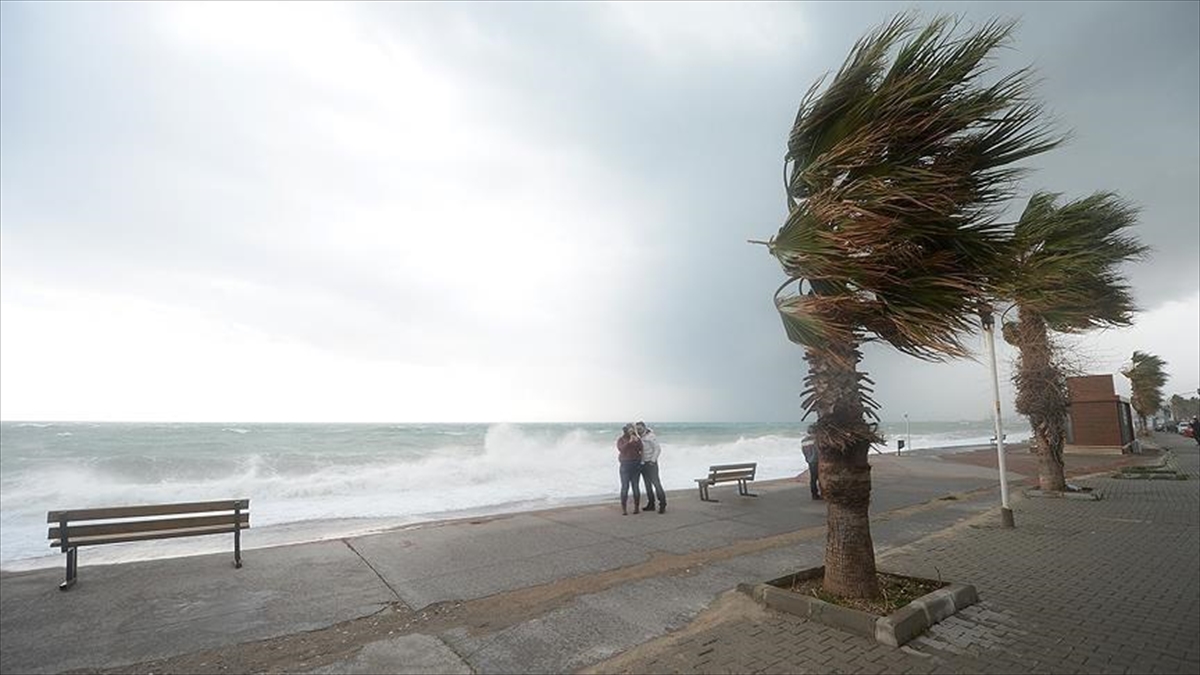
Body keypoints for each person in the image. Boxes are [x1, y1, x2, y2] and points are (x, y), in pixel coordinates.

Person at [637, 421, 666, 514]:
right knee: (647, 485)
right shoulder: (640, 437)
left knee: (656, 484)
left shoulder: (651, 436)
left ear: (644, 427)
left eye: (640, 428)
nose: (639, 430)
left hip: (651, 463)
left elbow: (657, 449)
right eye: (637, 429)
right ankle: (651, 504)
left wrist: (653, 461)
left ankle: (662, 504)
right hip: (643, 464)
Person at [617, 424, 644, 515]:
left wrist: (636, 442)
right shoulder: (621, 439)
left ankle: (636, 508)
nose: (632, 432)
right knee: (625, 487)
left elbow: (641, 449)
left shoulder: (636, 439)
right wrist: (630, 442)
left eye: (633, 430)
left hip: (634, 464)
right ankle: (624, 509)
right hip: (626, 464)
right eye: (631, 430)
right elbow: (621, 449)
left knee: (634, 486)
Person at [801, 431, 821, 500]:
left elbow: (803, 451)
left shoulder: (803, 441)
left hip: (810, 460)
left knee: (813, 478)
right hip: (817, 460)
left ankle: (814, 494)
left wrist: (807, 458)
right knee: (819, 477)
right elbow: (818, 451)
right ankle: (818, 494)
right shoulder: (816, 440)